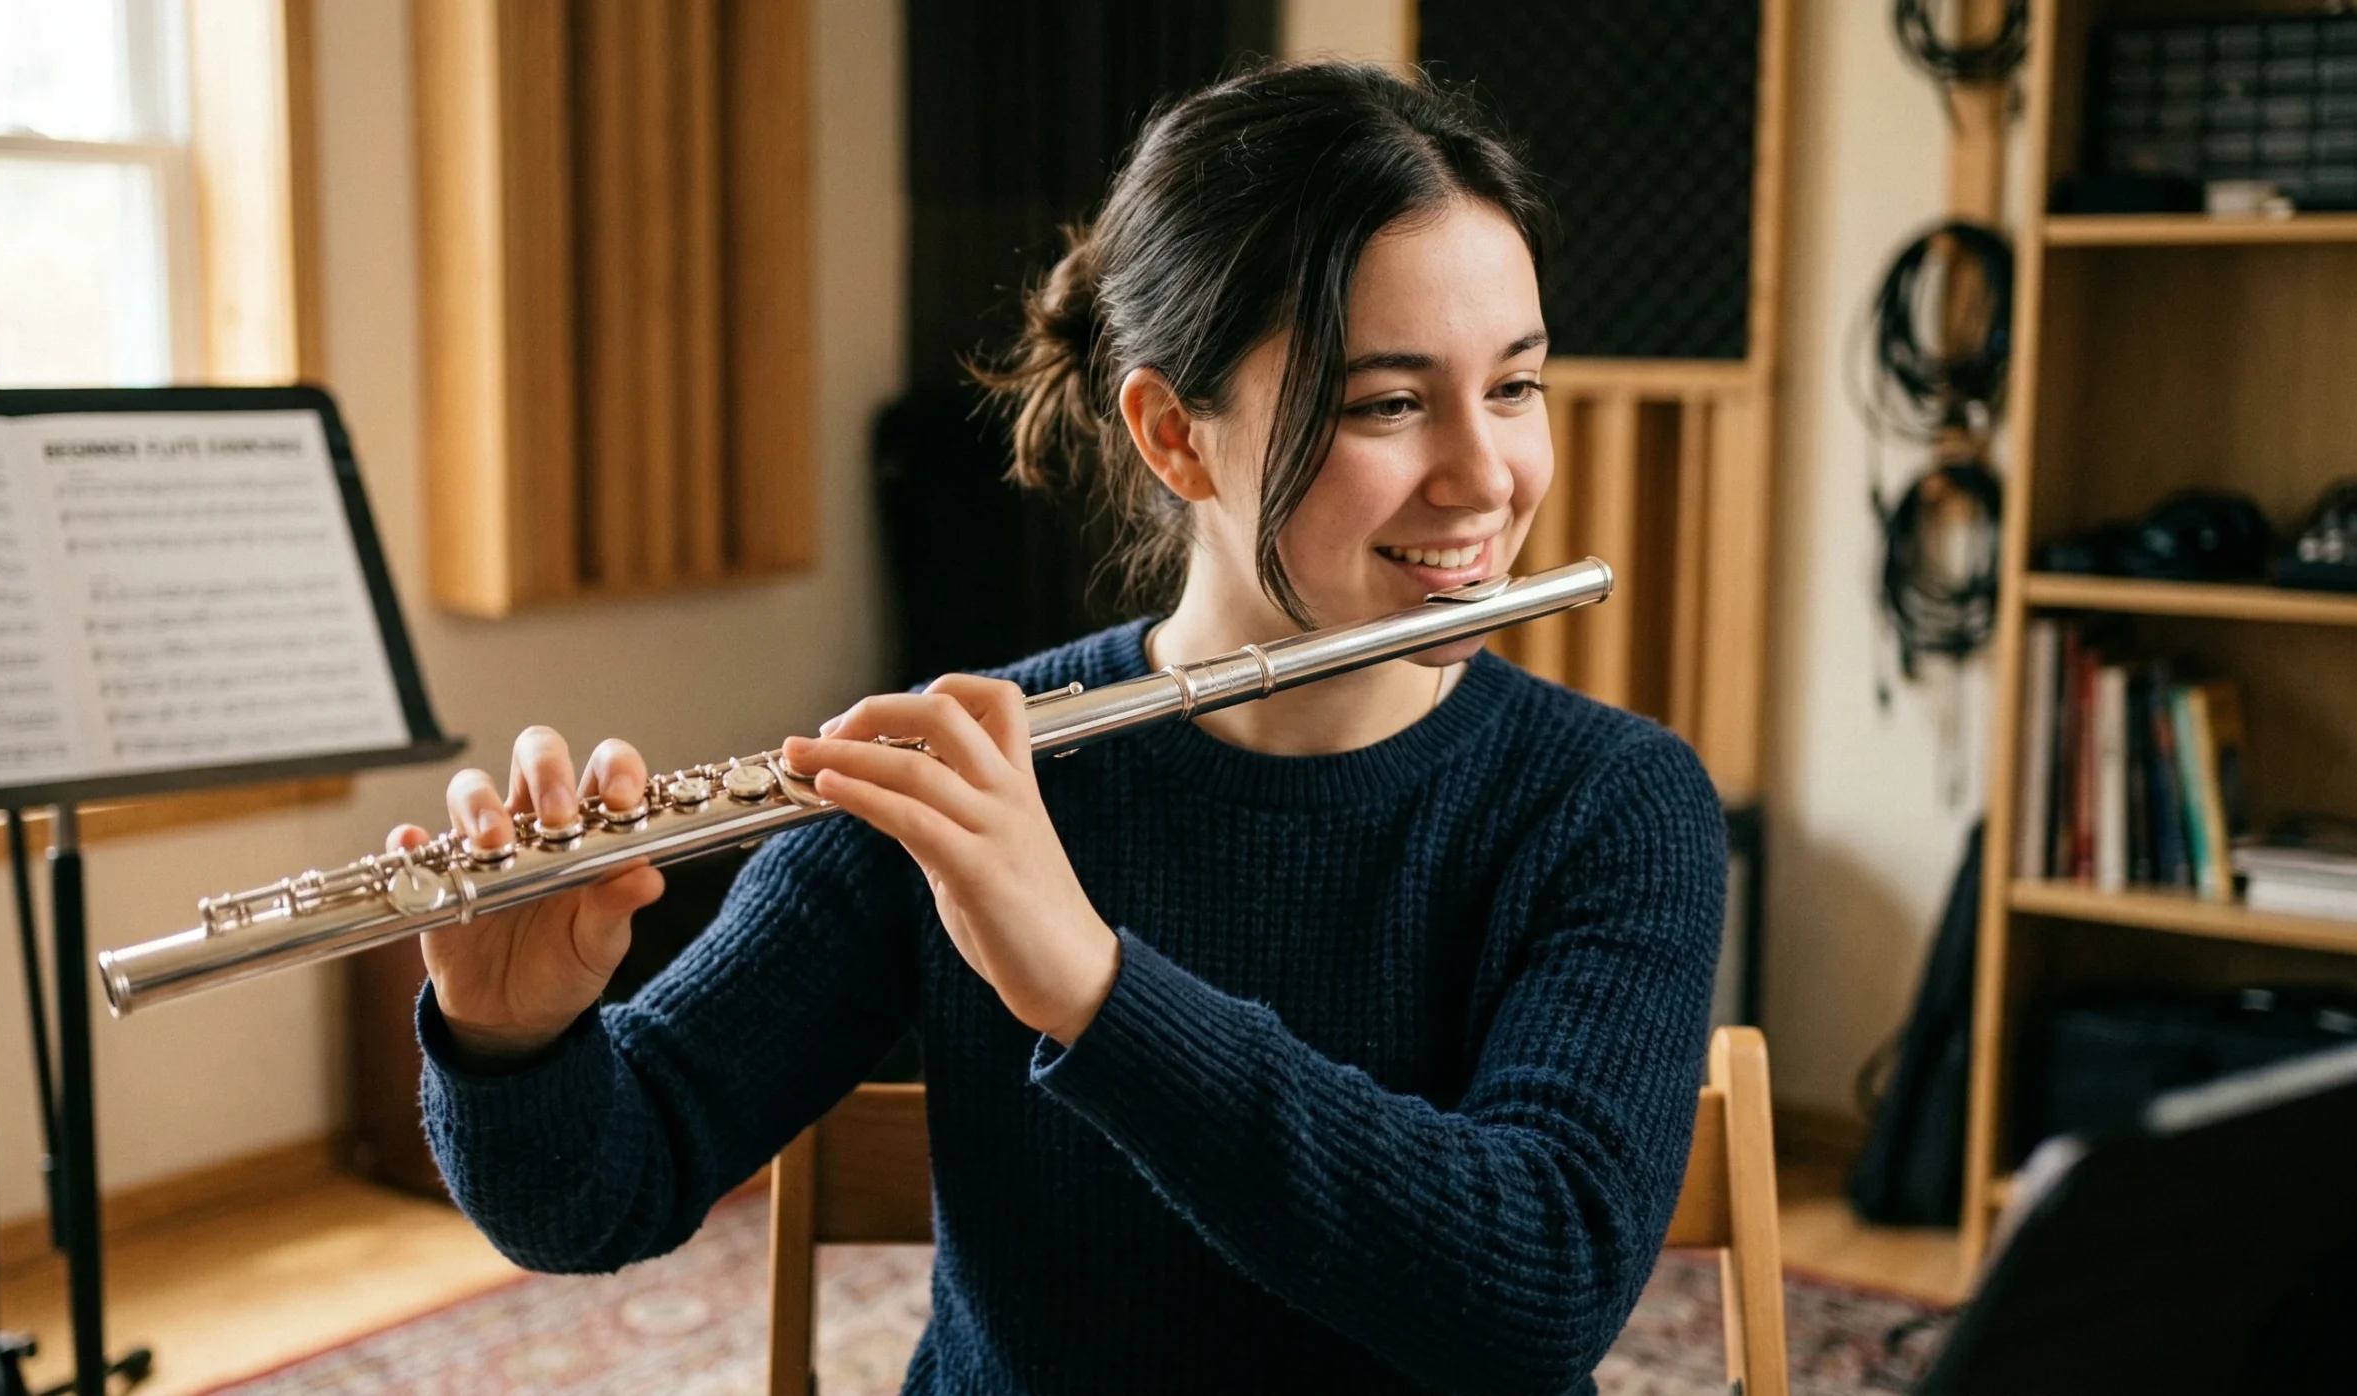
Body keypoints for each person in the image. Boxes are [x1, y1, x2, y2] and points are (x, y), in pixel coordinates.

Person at [395, 60, 1726, 1395]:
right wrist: (513, 1047)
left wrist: (1091, 988)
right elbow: (604, 1192)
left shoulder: (1611, 804)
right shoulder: (972, 775)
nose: (1487, 477)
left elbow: (1540, 1292)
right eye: (1388, 402)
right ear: (1172, 435)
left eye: (1515, 387)